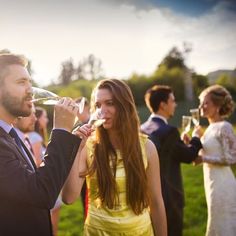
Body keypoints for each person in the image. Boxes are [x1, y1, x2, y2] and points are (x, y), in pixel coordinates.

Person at [62, 79, 167, 236]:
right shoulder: (88, 146)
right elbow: (68, 198)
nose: (102, 111)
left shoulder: (147, 147)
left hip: (141, 231)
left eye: (110, 103)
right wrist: (76, 150)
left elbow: (157, 203)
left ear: (124, 106)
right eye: (98, 105)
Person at [0, 53, 81, 236]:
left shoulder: (11, 135)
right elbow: (43, 193)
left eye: (30, 82)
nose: (30, 90)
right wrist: (60, 131)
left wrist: (73, 141)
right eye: (21, 83)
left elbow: (36, 182)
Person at [140, 85, 202, 236]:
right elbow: (189, 156)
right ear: (163, 105)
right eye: (172, 101)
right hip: (169, 199)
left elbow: (171, 152)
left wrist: (180, 143)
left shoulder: (142, 128)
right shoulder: (169, 131)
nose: (175, 104)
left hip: (145, 197)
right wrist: (196, 138)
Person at [192, 84, 236, 236]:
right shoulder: (209, 128)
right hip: (211, 181)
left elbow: (231, 158)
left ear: (217, 105)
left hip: (223, 183)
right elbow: (207, 150)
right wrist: (192, 141)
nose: (201, 106)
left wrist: (202, 158)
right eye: (201, 103)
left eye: (205, 103)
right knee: (216, 219)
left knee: (224, 223)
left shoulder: (224, 127)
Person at [74, 97, 91, 219]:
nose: (76, 112)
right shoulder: (76, 128)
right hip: (81, 173)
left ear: (87, 108)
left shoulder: (98, 123)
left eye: (78, 108)